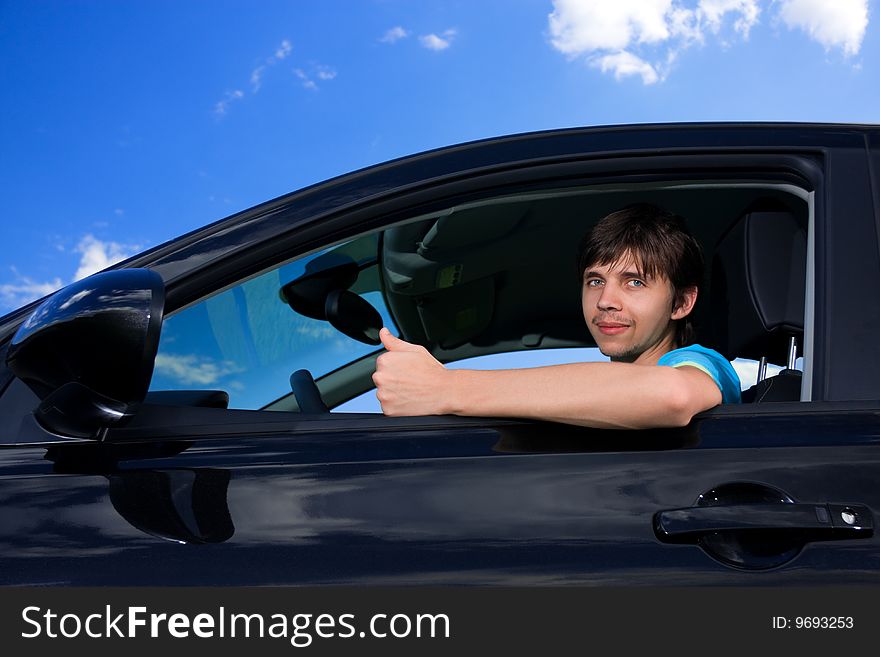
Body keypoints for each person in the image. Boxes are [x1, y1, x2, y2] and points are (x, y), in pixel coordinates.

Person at [372, 203, 741, 429]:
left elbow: (672, 395)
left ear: (681, 303)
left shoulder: (701, 364)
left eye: (634, 283)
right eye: (595, 280)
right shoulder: (600, 396)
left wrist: (445, 389)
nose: (605, 300)